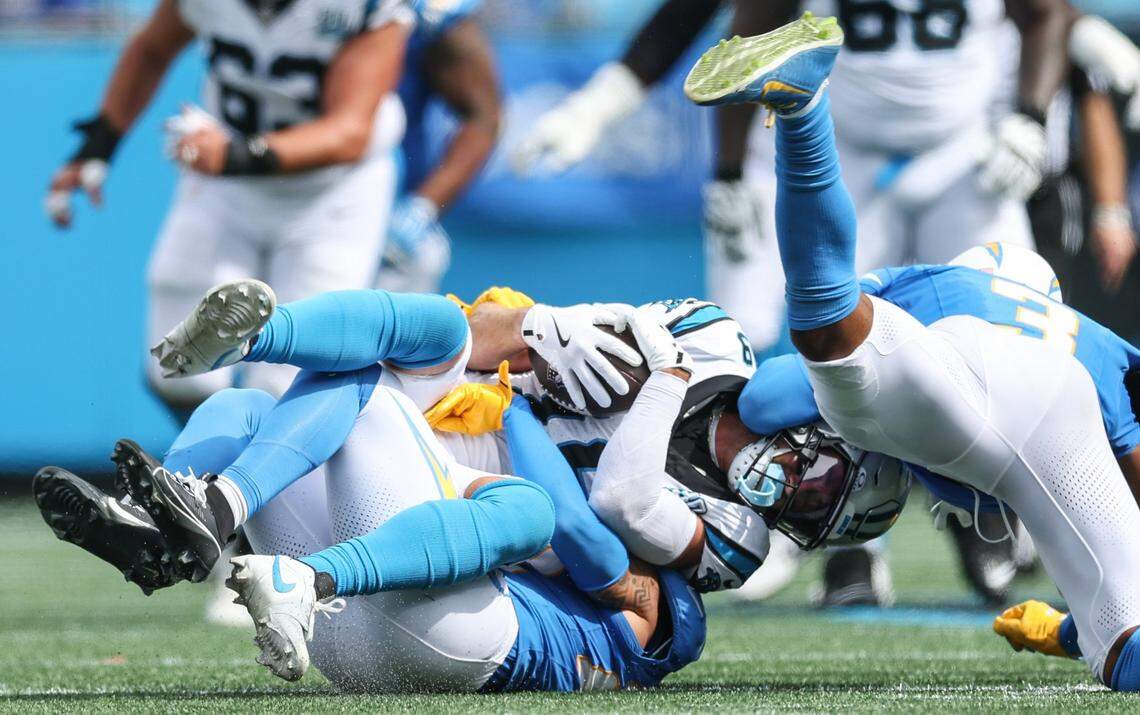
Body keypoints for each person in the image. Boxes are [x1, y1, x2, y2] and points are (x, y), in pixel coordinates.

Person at [684, 13, 1140, 689]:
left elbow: (766, 393)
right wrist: (1084, 626)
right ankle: (805, 111)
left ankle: (806, 111)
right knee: (832, 333)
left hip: (965, 384)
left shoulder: (941, 284)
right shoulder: (1088, 343)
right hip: (1038, 418)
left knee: (831, 325)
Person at [45, 0, 412, 407]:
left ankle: (259, 471)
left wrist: (235, 154)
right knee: (178, 368)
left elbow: (349, 131)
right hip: (227, 188)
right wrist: (98, 147)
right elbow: (152, 49)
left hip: (332, 195)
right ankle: (208, 464)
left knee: (292, 382)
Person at [378, 0, 502, 293]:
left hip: (386, 217)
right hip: (263, 199)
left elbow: (482, 115)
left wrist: (420, 209)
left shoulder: (429, 11)